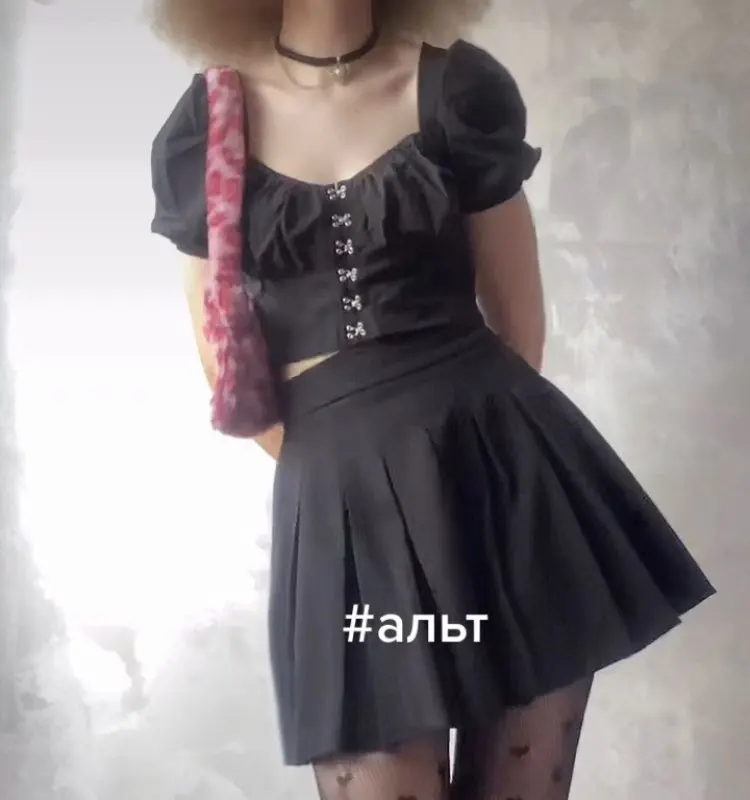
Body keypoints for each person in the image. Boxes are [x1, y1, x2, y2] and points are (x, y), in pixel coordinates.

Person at [148, 0, 715, 797]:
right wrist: (344, 466)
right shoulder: (208, 123)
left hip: (501, 483)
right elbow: (223, 368)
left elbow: (518, 327)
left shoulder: (458, 91)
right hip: (340, 510)